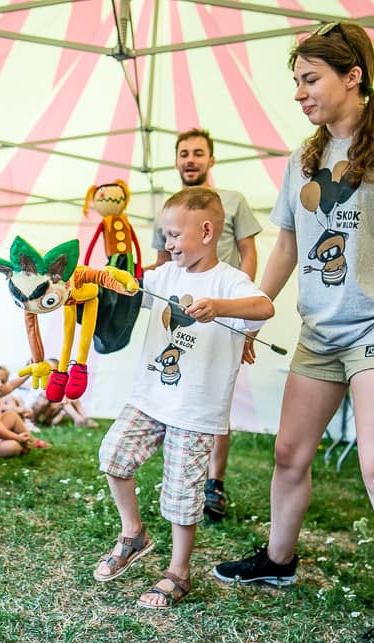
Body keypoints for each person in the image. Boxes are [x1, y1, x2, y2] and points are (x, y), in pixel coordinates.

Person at [211, 22, 374, 643]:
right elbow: (286, 245)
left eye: (310, 79)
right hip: (319, 331)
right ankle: (279, 561)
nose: (299, 93)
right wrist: (252, 313)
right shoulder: (302, 157)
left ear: (354, 76)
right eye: (297, 81)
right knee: (289, 453)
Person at [94, 187, 273, 610]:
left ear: (207, 232)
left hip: (195, 411)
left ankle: (178, 573)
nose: (168, 244)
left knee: (181, 496)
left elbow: (264, 308)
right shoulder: (163, 276)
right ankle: (133, 533)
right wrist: (94, 281)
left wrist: (221, 307)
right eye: (165, 235)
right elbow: (128, 288)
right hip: (149, 399)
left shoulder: (229, 280)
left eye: (174, 235)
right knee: (113, 456)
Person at [151, 129, 265, 521]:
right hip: (181, 312)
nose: (190, 159)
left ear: (211, 160)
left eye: (198, 153)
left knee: (214, 395)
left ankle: (214, 482)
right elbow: (162, 262)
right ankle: (179, 474)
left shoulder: (232, 202)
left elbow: (249, 253)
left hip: (220, 312)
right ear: (176, 160)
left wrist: (239, 314)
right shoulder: (169, 209)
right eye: (184, 153)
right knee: (177, 388)